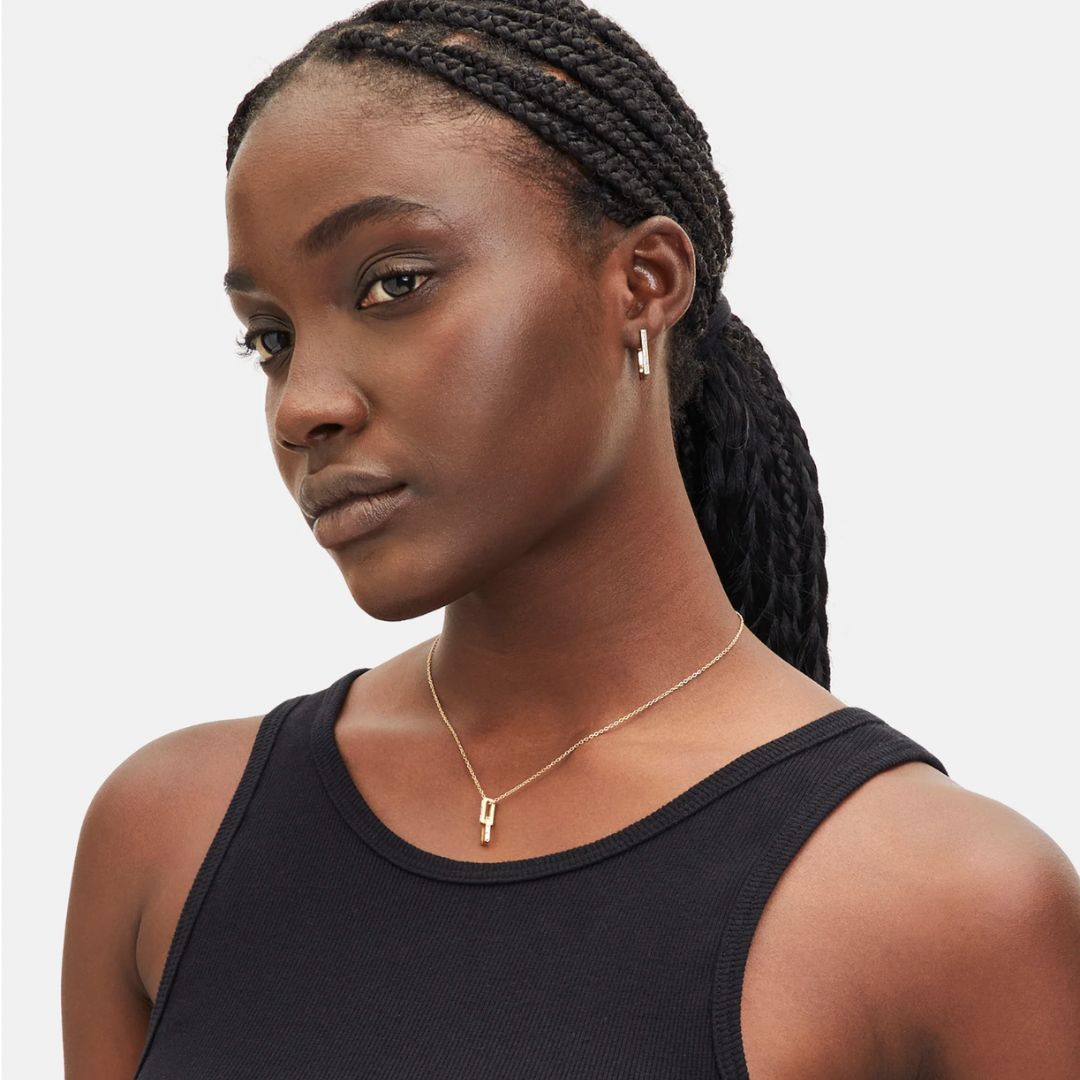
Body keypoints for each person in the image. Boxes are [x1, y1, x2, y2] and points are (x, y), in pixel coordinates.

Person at [61, 2, 1080, 1077]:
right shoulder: (171, 838)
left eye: (393, 284)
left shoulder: (947, 903)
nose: (301, 404)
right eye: (269, 338)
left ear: (642, 285)